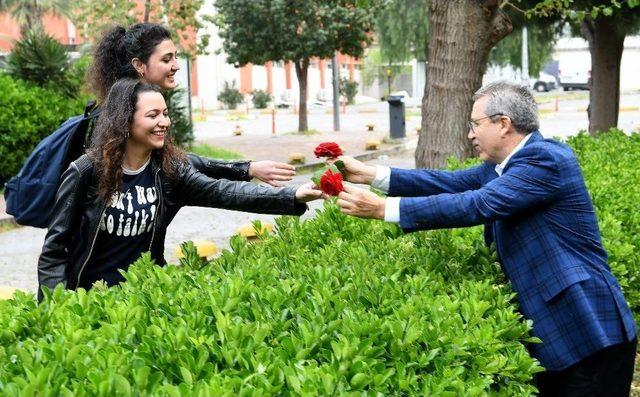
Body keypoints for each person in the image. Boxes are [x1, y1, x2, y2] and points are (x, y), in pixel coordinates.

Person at [333, 81, 637, 396]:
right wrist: (370, 175)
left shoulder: (544, 159)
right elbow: (446, 183)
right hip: (560, 335)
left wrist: (384, 209)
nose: (470, 134)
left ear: (503, 123)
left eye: (475, 124)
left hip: (590, 331)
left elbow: (478, 204)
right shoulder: (499, 168)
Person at [37, 78, 321, 301]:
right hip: (89, 300)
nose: (164, 122)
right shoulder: (85, 172)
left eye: (165, 113)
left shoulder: (168, 171)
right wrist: (59, 307)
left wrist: (293, 195)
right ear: (125, 120)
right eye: (153, 115)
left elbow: (223, 192)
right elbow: (54, 249)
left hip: (144, 297)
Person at [87, 23, 294, 187]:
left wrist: (248, 169)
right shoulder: (115, 116)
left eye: (175, 57)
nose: (176, 65)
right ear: (139, 65)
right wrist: (248, 169)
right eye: (167, 59)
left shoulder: (138, 107)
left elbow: (177, 161)